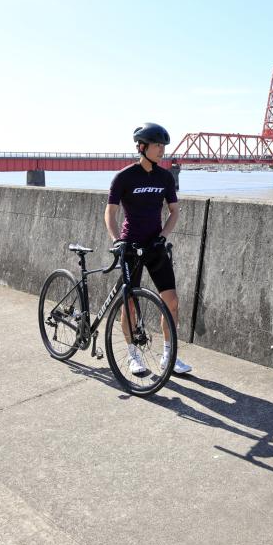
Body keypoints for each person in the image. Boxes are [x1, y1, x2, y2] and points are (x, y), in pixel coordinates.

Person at [104, 122, 192, 376]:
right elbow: (110, 213)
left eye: (164, 145)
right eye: (157, 145)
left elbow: (174, 212)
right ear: (142, 147)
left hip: (155, 246)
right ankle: (133, 356)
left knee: (172, 302)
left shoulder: (165, 177)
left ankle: (169, 356)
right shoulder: (124, 177)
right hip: (130, 246)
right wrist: (116, 240)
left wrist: (163, 237)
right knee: (129, 303)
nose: (162, 149)